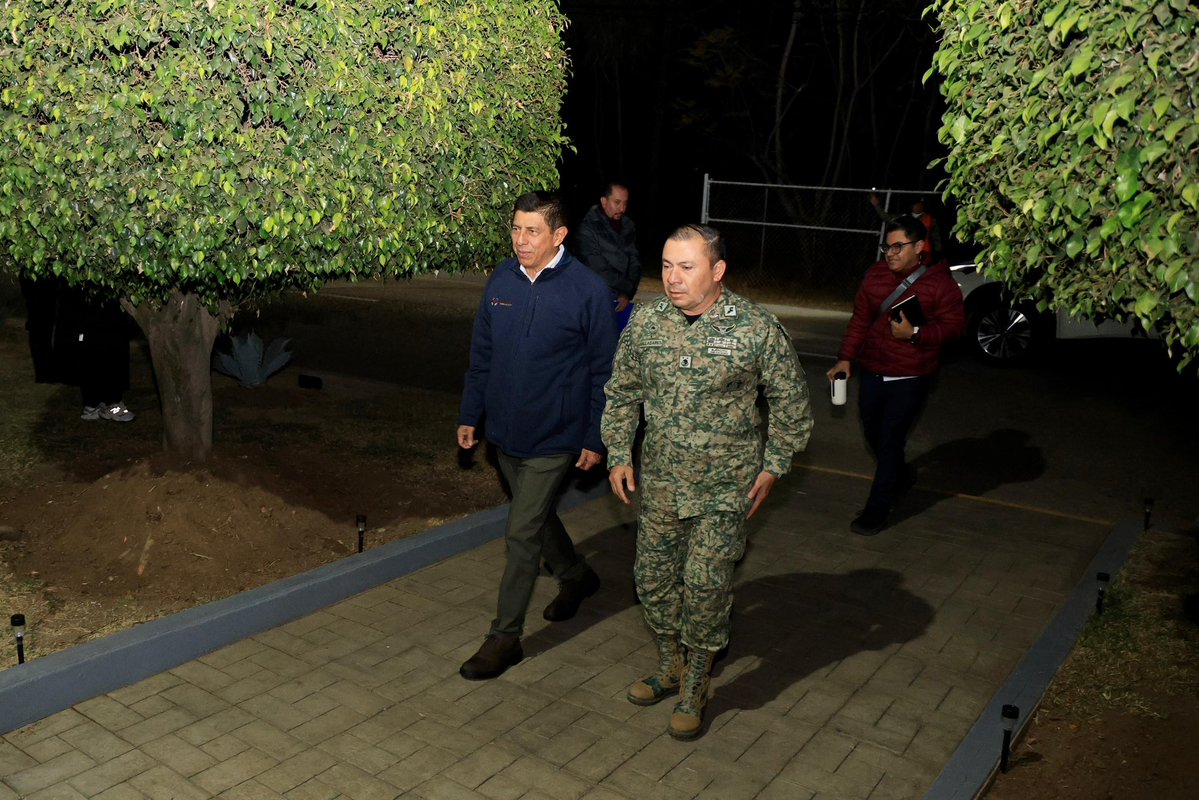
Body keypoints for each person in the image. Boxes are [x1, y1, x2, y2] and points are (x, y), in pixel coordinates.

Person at [601, 224, 813, 740]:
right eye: (667, 266)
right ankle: (671, 663)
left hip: (726, 488)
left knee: (705, 586)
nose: (673, 279)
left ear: (717, 271)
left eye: (687, 267)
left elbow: (791, 404)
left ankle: (697, 680)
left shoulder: (755, 328)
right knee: (651, 584)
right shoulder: (646, 321)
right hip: (661, 485)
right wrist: (618, 452)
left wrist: (775, 464)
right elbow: (622, 391)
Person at [457, 191, 619, 681]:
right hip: (504, 434)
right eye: (515, 229)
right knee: (539, 514)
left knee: (521, 531)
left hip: (556, 435)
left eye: (532, 231)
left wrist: (595, 435)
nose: (520, 241)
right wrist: (472, 413)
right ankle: (576, 576)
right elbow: (482, 354)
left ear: (559, 235)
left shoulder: (587, 290)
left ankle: (504, 638)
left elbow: (604, 371)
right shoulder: (502, 281)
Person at [827, 214, 965, 536]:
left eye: (898, 247)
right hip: (873, 373)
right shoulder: (875, 276)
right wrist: (845, 359)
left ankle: (877, 509)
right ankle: (900, 475)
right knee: (874, 434)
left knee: (889, 441)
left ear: (919, 247)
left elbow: (956, 328)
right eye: (887, 247)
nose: (890, 253)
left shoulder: (939, 283)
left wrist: (915, 333)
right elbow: (860, 320)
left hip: (911, 377)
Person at [19, 276, 136, 422]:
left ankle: (113, 403)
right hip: (83, 302)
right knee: (89, 347)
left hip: (109, 301)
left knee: (113, 345)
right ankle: (92, 404)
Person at [575, 181, 641, 330]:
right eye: (617, 202)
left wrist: (626, 293)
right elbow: (596, 267)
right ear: (604, 201)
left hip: (622, 299)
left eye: (625, 203)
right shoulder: (587, 227)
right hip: (595, 299)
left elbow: (635, 261)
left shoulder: (628, 225)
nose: (622, 208)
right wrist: (626, 287)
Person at [869, 192, 942, 261]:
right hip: (905, 251)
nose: (918, 206)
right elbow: (886, 217)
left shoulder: (930, 219)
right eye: (916, 204)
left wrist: (938, 251)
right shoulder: (905, 217)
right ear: (912, 205)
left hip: (923, 251)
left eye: (920, 204)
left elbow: (936, 236)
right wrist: (876, 205)